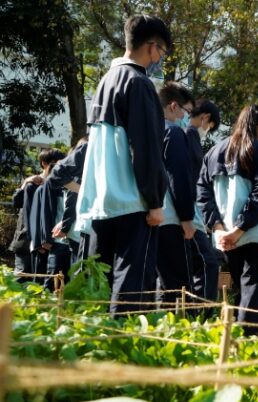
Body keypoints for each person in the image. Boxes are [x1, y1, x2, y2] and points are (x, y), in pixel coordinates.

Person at [75, 14, 171, 315]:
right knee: (132, 287)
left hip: (103, 199)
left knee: (99, 284)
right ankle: (119, 351)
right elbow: (146, 147)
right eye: (162, 53)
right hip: (133, 200)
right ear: (152, 47)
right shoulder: (139, 83)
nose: (160, 59)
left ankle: (93, 348)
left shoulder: (106, 81)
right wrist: (155, 200)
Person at [198, 104, 258, 334]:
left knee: (237, 293)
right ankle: (247, 345)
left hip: (225, 236)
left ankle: (230, 342)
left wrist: (217, 228)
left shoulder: (214, 152)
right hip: (256, 233)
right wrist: (240, 228)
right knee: (252, 294)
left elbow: (202, 194)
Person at [156, 81, 196, 303]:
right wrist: (187, 218)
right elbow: (178, 177)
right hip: (171, 217)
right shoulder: (173, 133)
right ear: (173, 107)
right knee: (178, 285)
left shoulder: (147, 131)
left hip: (148, 215)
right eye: (187, 112)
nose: (187, 119)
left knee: (158, 280)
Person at [184, 99, 221, 306]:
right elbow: (191, 180)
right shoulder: (189, 135)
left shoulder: (184, 135)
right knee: (208, 263)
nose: (207, 131)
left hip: (189, 215)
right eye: (210, 127)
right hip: (189, 215)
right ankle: (201, 315)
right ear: (205, 118)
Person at [10, 149, 64, 282]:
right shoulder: (33, 184)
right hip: (26, 240)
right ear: (44, 163)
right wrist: (26, 182)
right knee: (21, 279)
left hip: (49, 242)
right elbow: (17, 203)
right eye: (55, 163)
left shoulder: (61, 185)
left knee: (40, 283)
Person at [47, 138, 89, 264]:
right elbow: (72, 201)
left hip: (79, 230)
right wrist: (65, 226)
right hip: (81, 232)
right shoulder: (79, 172)